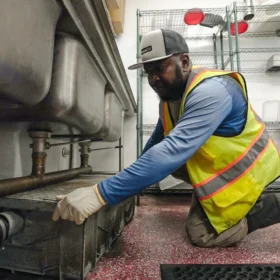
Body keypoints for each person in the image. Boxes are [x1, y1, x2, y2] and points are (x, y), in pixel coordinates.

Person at [52, 29, 280, 248]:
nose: (153, 79)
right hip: (221, 170)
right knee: (165, 160)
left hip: (247, 173)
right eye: (148, 72)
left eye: (161, 68)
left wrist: (100, 194)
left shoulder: (212, 91)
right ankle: (222, 203)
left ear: (184, 62)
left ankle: (270, 205)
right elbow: (157, 141)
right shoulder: (171, 97)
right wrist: (129, 185)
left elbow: (169, 151)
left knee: (203, 234)